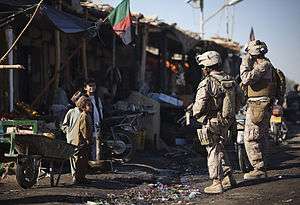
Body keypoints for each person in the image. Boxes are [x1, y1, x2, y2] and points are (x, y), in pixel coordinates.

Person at [192, 51, 237, 194]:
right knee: (220, 148)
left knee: (212, 150)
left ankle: (216, 182)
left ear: (207, 66)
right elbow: (240, 100)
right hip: (227, 120)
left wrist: (197, 115)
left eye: (203, 66)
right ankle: (229, 178)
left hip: (212, 120)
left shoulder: (207, 82)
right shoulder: (229, 79)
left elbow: (200, 105)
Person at [240, 40, 277, 180]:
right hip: (260, 104)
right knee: (260, 136)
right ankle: (261, 166)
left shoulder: (263, 65)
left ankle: (259, 168)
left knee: (252, 136)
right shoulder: (265, 64)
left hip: (258, 105)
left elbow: (245, 78)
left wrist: (244, 61)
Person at [72, 96, 93, 184]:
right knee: (80, 160)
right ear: (83, 107)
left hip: (85, 142)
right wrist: (87, 139)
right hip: (82, 142)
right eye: (89, 105)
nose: (91, 107)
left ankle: (82, 177)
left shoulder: (87, 115)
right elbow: (84, 129)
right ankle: (78, 178)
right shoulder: (84, 116)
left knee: (84, 160)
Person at [61, 94, 82, 178]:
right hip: (72, 138)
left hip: (82, 138)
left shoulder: (85, 112)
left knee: (81, 157)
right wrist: (69, 133)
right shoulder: (71, 112)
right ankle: (74, 175)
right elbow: (64, 125)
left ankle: (80, 175)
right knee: (74, 157)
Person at [83, 78, 103, 161]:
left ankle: (95, 161)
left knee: (96, 143)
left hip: (97, 123)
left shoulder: (97, 98)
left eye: (94, 85)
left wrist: (101, 120)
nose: (92, 87)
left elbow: (100, 110)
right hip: (87, 123)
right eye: (90, 86)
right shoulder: (83, 98)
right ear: (85, 88)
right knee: (87, 143)